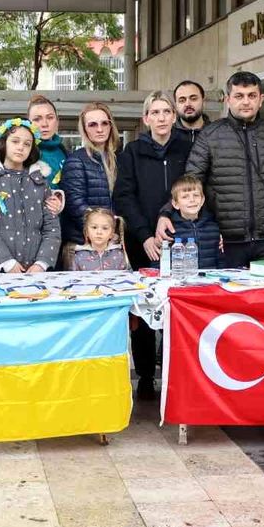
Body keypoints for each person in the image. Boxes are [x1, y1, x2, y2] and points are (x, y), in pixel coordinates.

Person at [171, 71, 264, 268]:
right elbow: (190, 185)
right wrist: (168, 214)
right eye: (239, 96)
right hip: (225, 241)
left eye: (252, 96)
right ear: (227, 99)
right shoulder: (210, 135)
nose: (246, 102)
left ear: (261, 99)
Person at [113, 90, 192, 399]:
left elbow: (192, 190)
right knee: (145, 310)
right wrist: (145, 234)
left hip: (181, 238)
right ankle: (146, 375)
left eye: (166, 112)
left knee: (178, 307)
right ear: (146, 118)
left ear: (174, 117)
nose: (161, 118)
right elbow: (124, 196)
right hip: (141, 241)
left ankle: (175, 370)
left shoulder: (187, 149)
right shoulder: (132, 151)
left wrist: (172, 217)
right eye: (155, 112)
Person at [0, 119, 61, 273]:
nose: (21, 147)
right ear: (3, 143)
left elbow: (52, 227)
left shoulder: (40, 182)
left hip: (35, 271)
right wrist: (7, 263)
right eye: (15, 141)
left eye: (27, 144)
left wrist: (41, 264)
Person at [61, 102, 121, 266]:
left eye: (104, 123)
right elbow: (75, 204)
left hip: (110, 243)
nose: (100, 129)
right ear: (85, 129)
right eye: (92, 124)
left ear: (111, 125)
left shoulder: (117, 159)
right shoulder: (76, 160)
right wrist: (102, 230)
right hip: (82, 245)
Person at [165, 175, 221, 269]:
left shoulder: (213, 228)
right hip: (179, 281)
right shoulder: (169, 231)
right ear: (175, 204)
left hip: (209, 281)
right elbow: (160, 264)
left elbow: (221, 261)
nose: (192, 200)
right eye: (185, 197)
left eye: (196, 195)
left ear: (202, 200)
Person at [173, 80, 210, 146]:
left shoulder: (218, 134)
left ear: (203, 102)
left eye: (193, 99)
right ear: (176, 106)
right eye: (182, 100)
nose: (188, 104)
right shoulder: (167, 135)